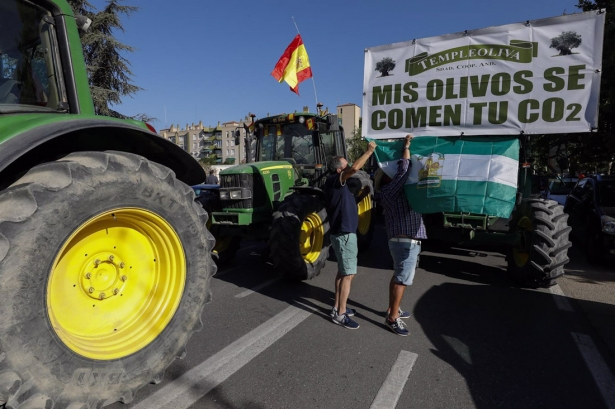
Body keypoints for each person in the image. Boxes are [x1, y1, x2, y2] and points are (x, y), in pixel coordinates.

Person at [377, 134, 427, 336]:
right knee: (401, 280)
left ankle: (393, 309)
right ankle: (392, 319)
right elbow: (404, 172)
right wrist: (406, 148)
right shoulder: (389, 190)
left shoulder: (394, 192)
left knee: (398, 276)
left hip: (405, 241)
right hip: (404, 242)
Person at [324, 141, 377, 329]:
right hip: (345, 235)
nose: (349, 169)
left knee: (342, 272)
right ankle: (341, 314)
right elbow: (355, 168)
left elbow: (348, 203)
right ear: (339, 171)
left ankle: (338, 306)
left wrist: (363, 197)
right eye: (345, 166)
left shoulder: (339, 187)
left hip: (343, 234)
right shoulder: (334, 181)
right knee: (349, 274)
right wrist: (369, 152)